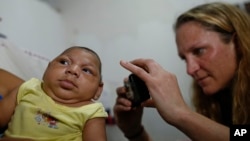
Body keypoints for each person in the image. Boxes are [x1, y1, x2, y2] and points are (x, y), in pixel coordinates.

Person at [113, 2, 250, 141]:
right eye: (184, 58)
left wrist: (181, 113)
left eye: (199, 51)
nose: (190, 70)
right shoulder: (218, 100)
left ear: (237, 44)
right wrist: (135, 132)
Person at [0, 46, 108, 141]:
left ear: (98, 90)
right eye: (64, 62)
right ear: (47, 69)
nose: (73, 70)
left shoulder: (92, 112)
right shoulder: (28, 88)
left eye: (86, 70)